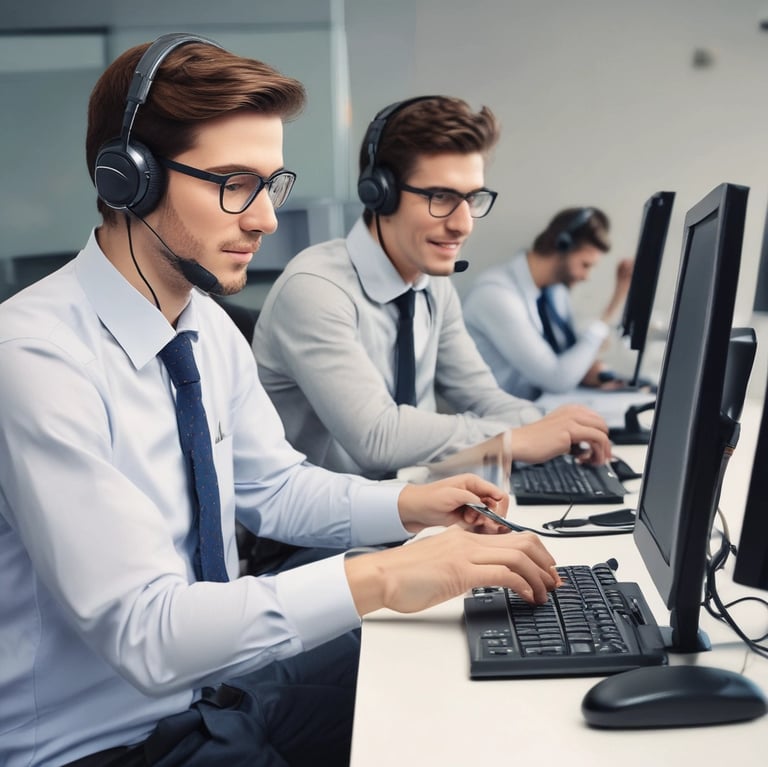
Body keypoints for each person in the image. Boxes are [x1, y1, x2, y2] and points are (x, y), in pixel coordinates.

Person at [0, 35, 564, 767]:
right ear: (127, 179)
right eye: (235, 183)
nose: (266, 219)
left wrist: (410, 506)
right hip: (106, 744)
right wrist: (389, 573)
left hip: (214, 691)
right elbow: (148, 631)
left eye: (272, 184)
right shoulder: (36, 356)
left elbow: (274, 487)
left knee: (451, 666)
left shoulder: (203, 323)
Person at [253, 97, 612, 481]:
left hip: (412, 506)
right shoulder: (316, 289)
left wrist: (556, 428)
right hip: (323, 535)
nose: (463, 224)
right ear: (380, 193)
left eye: (471, 198)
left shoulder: (433, 287)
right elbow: (377, 438)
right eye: (441, 197)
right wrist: (514, 438)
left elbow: (482, 396)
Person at [463, 207, 634, 401]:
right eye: (585, 265)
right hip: (497, 419)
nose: (586, 277)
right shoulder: (495, 296)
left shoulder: (555, 293)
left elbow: (564, 358)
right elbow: (556, 379)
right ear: (561, 246)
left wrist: (584, 372)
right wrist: (608, 313)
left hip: (536, 407)